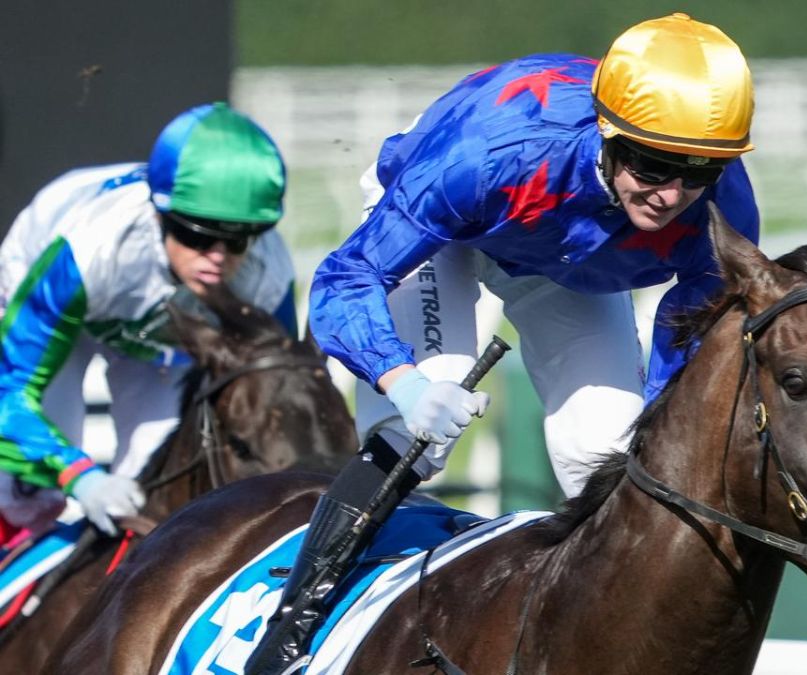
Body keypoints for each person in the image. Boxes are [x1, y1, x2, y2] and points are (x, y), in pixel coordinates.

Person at [248, 12, 760, 673]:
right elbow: (345, 280)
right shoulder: (486, 157)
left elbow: (686, 334)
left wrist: (659, 423)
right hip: (452, 226)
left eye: (699, 172)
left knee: (609, 451)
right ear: (608, 133)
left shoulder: (724, 208)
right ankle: (290, 631)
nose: (671, 196)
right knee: (416, 436)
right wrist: (404, 382)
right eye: (655, 165)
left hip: (564, 259)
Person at [0, 102, 296, 541]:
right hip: (67, 309)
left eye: (236, 240)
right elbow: (10, 392)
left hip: (164, 343)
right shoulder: (90, 250)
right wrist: (79, 476)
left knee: (155, 494)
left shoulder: (268, 274)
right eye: (197, 234)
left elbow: (282, 396)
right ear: (159, 216)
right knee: (24, 493)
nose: (216, 257)